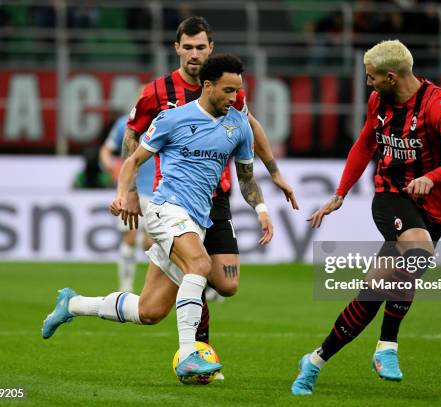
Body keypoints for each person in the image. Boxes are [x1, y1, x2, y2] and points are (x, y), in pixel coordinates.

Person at [42, 54, 273, 379]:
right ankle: (190, 353)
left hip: (199, 219)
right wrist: (124, 194)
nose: (234, 98)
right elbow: (132, 160)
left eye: (238, 91)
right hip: (166, 209)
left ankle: (74, 304)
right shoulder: (171, 119)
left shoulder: (238, 127)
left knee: (148, 311)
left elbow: (247, 177)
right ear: (207, 86)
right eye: (228, 90)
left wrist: (261, 210)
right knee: (200, 265)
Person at [291, 39, 441, 395]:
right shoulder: (379, 101)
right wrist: (340, 193)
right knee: (419, 252)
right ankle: (387, 347)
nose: (368, 84)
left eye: (371, 78)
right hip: (391, 196)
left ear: (392, 77)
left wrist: (432, 177)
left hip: (433, 206)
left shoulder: (438, 105)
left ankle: (315, 360)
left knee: (373, 294)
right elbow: (366, 144)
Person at [122, 16, 298, 346]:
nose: (194, 54)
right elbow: (131, 139)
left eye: (200, 47)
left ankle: (183, 295)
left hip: (218, 197)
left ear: (210, 48)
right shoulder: (157, 92)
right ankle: (198, 352)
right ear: (177, 48)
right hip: (174, 199)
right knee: (197, 269)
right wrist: (131, 191)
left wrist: (274, 173)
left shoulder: (226, 88)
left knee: (226, 284)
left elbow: (252, 127)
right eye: (187, 47)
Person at [99, 114, 154, 292]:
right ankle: (125, 289)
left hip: (159, 192)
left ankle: (153, 289)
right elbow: (106, 150)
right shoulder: (125, 123)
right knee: (129, 238)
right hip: (131, 191)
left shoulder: (167, 120)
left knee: (150, 243)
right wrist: (110, 165)